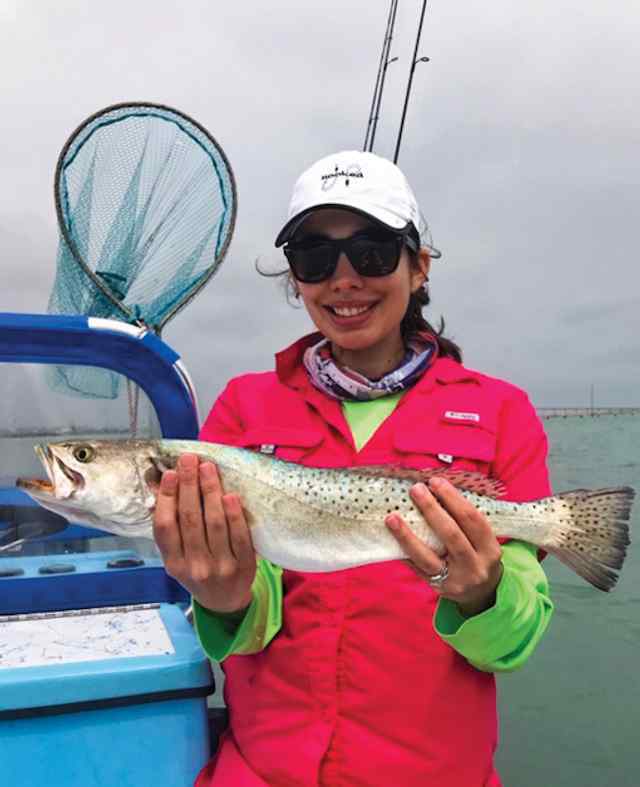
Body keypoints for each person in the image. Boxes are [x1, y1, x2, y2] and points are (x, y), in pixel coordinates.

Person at [153, 150, 554, 787]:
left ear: (419, 267)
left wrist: (483, 595)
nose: (344, 279)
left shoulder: (501, 411)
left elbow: (515, 638)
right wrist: (223, 599)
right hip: (260, 770)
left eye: (372, 252)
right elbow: (250, 625)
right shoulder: (243, 406)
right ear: (296, 279)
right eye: (315, 257)